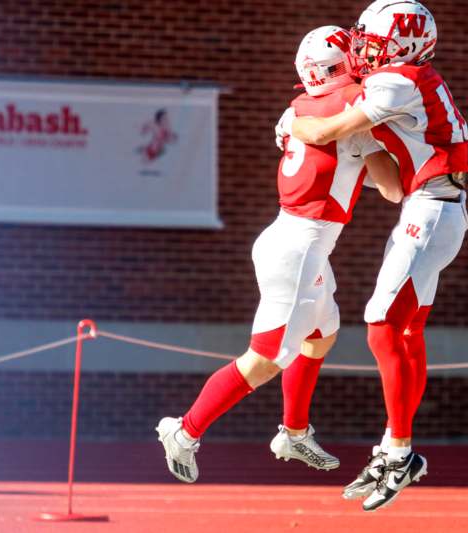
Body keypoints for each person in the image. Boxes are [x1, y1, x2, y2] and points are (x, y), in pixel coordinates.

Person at [156, 25, 402, 483]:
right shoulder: (352, 108)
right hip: (300, 247)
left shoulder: (302, 108)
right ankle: (184, 431)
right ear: (339, 65)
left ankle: (294, 430)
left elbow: (339, 168)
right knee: (265, 359)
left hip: (294, 237)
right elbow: (390, 189)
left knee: (322, 331)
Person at [276, 0, 468, 511]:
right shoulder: (405, 80)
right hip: (431, 206)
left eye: (374, 40)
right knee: (407, 331)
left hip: (431, 211)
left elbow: (319, 132)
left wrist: (291, 118)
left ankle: (401, 452)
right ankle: (393, 446)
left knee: (381, 324)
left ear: (403, 45)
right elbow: (386, 184)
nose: (364, 48)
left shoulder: (398, 80)